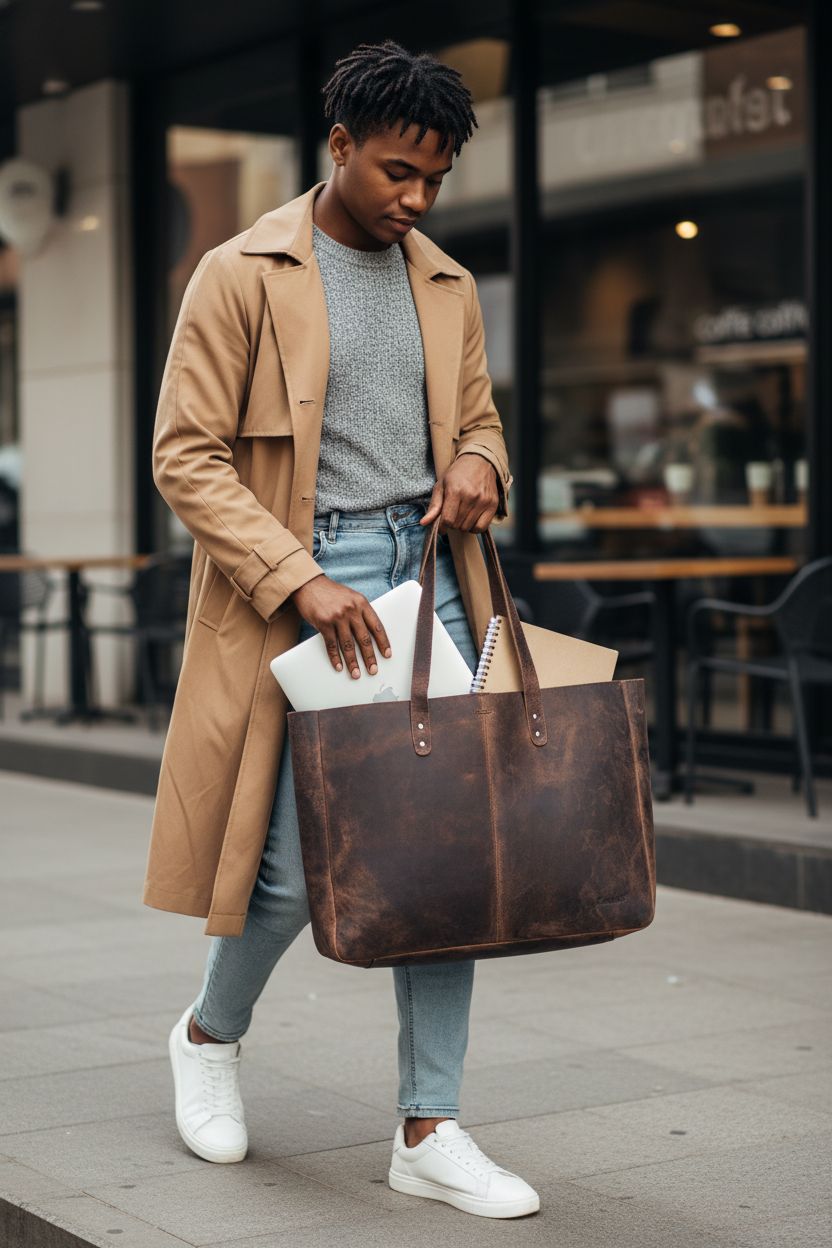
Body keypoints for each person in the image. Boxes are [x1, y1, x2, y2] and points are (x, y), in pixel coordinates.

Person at [157, 38, 538, 1220]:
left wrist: (480, 462)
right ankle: (209, 1036)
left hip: (428, 586)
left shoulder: (448, 284)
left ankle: (430, 1127)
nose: (413, 199)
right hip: (298, 592)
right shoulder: (241, 270)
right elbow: (185, 455)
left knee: (442, 865)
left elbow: (479, 427)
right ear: (337, 148)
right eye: (393, 173)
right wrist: (295, 575)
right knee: (279, 876)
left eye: (432, 181)